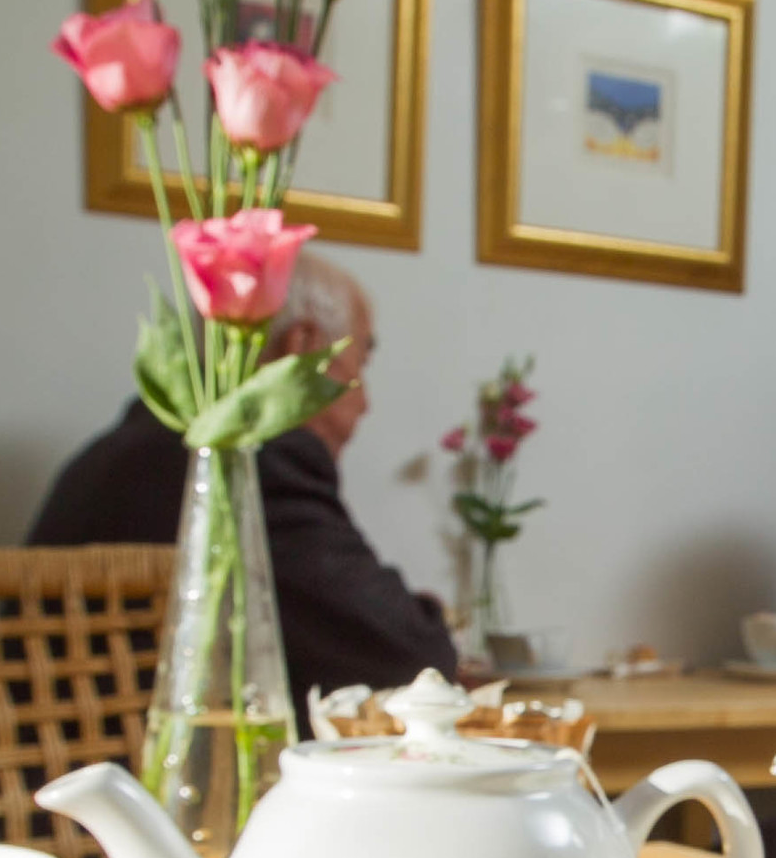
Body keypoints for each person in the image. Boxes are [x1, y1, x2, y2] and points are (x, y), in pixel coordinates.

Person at [26, 253, 462, 701]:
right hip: (163, 766)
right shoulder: (247, 461)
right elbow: (407, 657)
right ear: (304, 348)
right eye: (359, 366)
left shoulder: (121, 450)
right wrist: (435, 618)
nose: (365, 403)